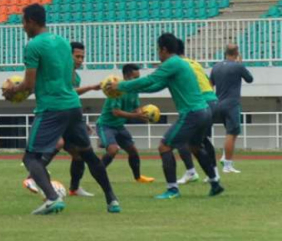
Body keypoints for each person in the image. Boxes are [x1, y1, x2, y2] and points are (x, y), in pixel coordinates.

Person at [4, 3, 120, 214]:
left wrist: (13, 91)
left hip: (51, 108)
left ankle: (52, 197)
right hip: (73, 106)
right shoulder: (63, 42)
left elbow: (28, 85)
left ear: (30, 21)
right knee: (89, 156)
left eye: (23, 22)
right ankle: (112, 199)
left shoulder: (33, 46)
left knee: (30, 158)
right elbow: (68, 79)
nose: (22, 27)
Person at [107, 33, 224, 199]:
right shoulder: (179, 64)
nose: (157, 53)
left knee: (164, 147)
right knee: (196, 147)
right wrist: (130, 88)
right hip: (203, 111)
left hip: (192, 113)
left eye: (158, 50)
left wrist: (121, 85)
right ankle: (215, 182)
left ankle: (172, 189)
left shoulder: (172, 63)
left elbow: (150, 79)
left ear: (163, 49)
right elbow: (156, 85)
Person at [21, 41, 100, 197]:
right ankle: (31, 178)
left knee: (78, 154)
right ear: (67, 55)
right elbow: (68, 93)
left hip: (66, 116)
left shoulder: (75, 76)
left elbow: (71, 97)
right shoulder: (59, 71)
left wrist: (80, 122)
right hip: (52, 114)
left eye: (82, 57)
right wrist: (91, 87)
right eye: (77, 56)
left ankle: (74, 188)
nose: (80, 60)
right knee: (59, 142)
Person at [96, 64, 155, 183]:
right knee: (113, 150)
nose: (138, 80)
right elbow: (116, 112)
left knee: (133, 150)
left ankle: (138, 177)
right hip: (105, 125)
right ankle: (97, 173)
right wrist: (136, 115)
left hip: (119, 126)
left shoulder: (134, 90)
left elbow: (136, 108)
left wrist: (144, 115)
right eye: (136, 78)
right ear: (127, 76)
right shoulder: (116, 89)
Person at [176, 39, 219, 184]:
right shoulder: (195, 63)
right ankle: (214, 173)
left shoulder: (179, 65)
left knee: (181, 137)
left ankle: (191, 172)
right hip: (211, 100)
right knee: (202, 140)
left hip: (200, 103)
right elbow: (209, 82)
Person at [210, 44, 254, 173]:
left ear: (225, 52)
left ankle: (224, 157)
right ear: (237, 53)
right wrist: (241, 64)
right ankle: (227, 165)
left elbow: (210, 84)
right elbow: (250, 79)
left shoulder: (216, 66)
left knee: (229, 133)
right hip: (231, 104)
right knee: (232, 133)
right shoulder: (238, 66)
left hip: (217, 103)